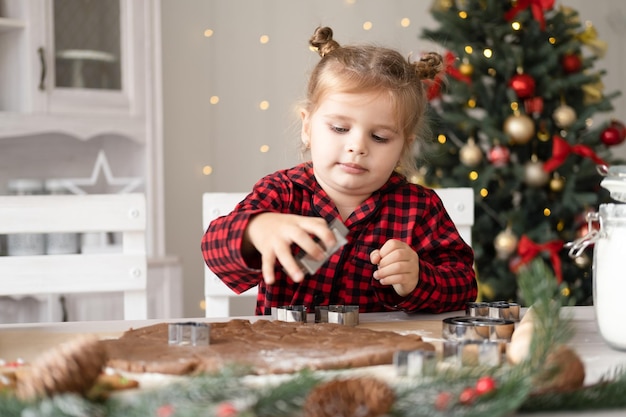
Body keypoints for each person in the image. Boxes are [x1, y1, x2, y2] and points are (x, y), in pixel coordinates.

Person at [201, 26, 477, 315]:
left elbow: (465, 286)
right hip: (287, 353)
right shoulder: (281, 193)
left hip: (382, 356)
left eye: (380, 137)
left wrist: (419, 280)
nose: (357, 146)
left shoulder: (420, 209)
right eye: (339, 128)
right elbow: (214, 250)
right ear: (307, 127)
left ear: (403, 147)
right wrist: (255, 229)